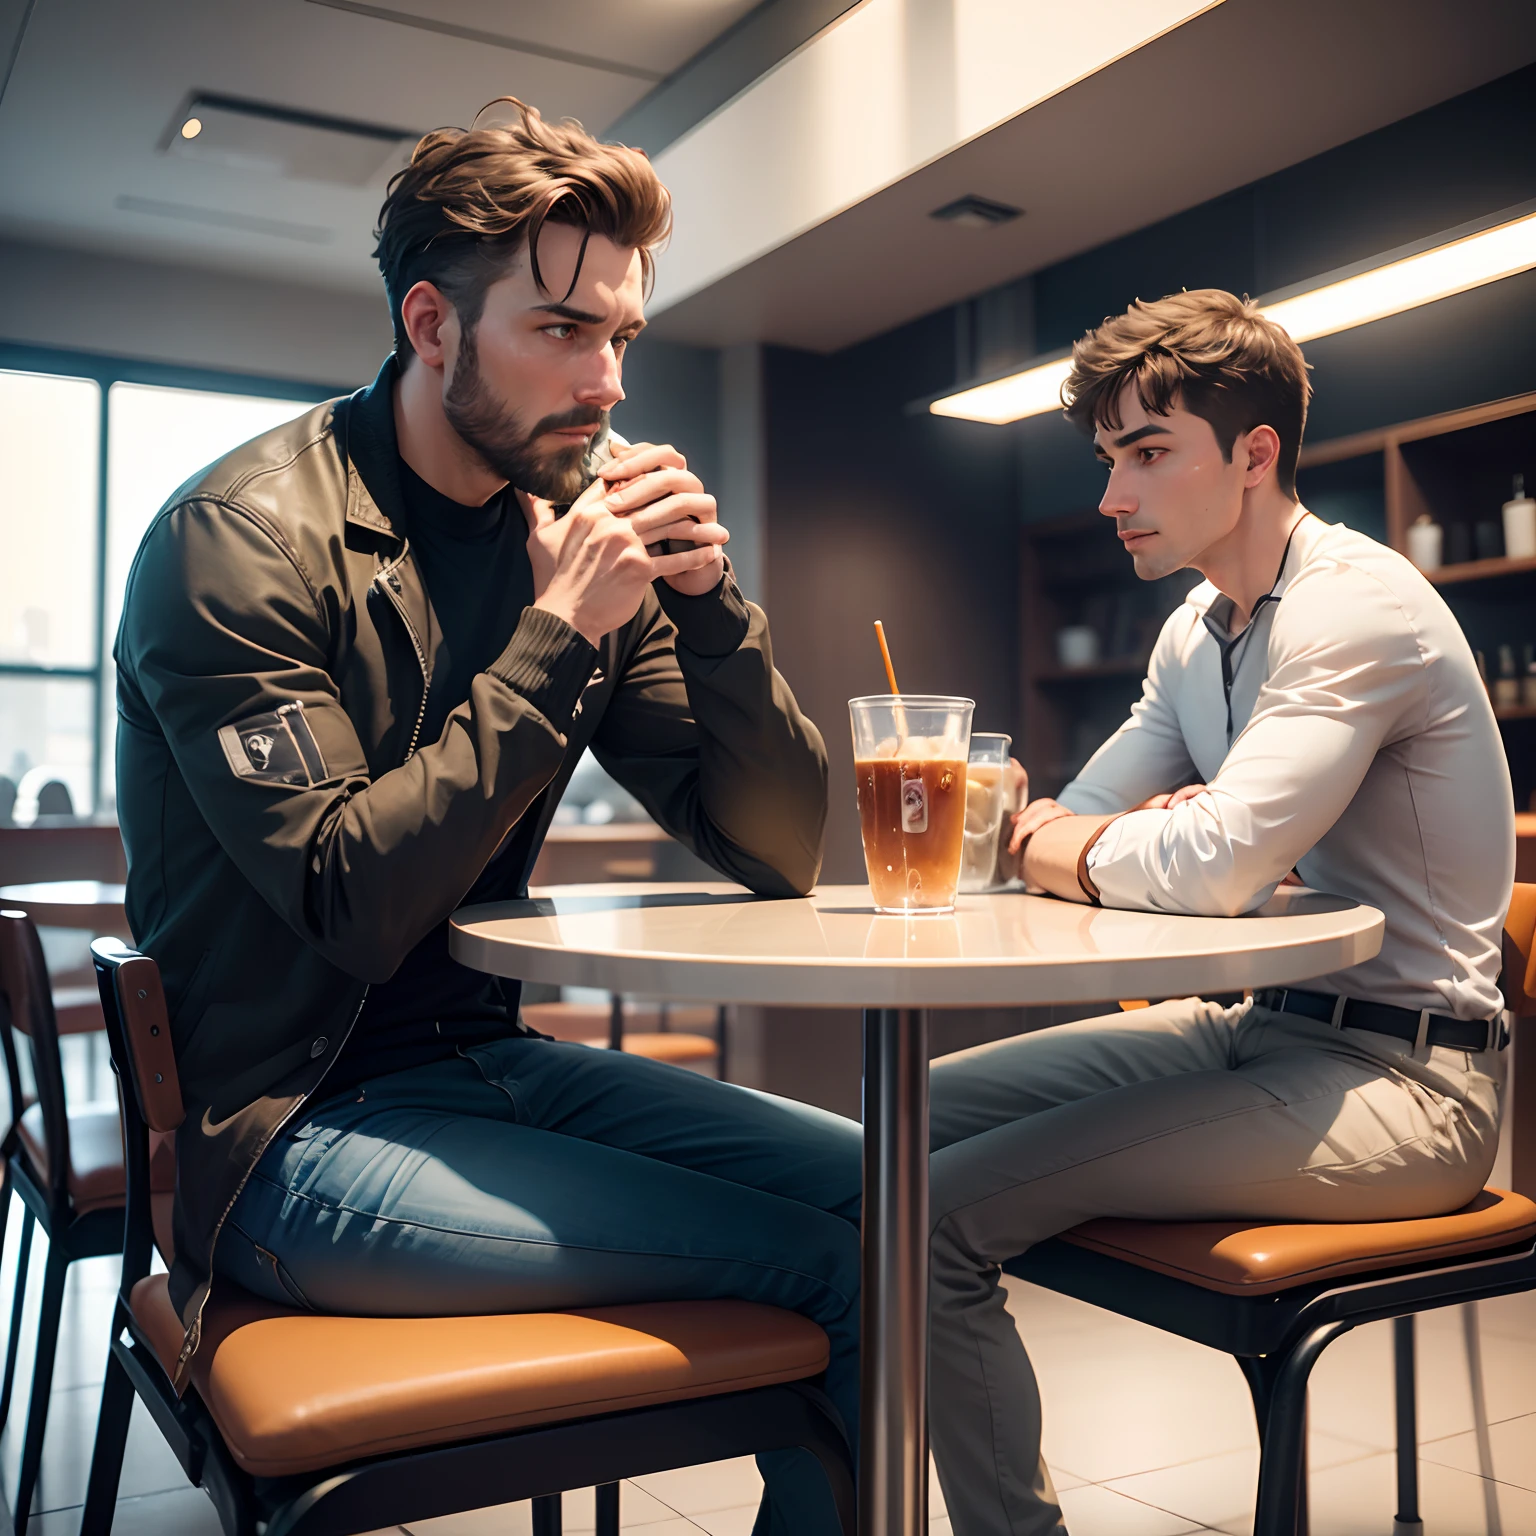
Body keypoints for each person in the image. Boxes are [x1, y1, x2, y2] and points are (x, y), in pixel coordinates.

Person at [114, 98, 859, 1535]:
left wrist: (710, 614)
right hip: (288, 1130)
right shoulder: (242, 541)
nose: (607, 384)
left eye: (623, 338)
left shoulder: (568, 528)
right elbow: (351, 904)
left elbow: (774, 845)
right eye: (563, 332)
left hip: (485, 1066)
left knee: (895, 1202)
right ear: (433, 325)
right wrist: (560, 632)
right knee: (827, 1262)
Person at [926, 289, 1513, 1536]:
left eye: (1149, 453)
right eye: (1108, 460)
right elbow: (1085, 824)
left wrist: (1118, 844)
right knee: (884, 1129)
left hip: (1409, 1081)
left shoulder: (1361, 606)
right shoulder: (1194, 628)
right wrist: (1102, 841)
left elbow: (1206, 866)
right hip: (1250, 1029)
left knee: (931, 1217)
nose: (1112, 494)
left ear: (1255, 456)